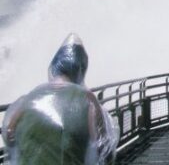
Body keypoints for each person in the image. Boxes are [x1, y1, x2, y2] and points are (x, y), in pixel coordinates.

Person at [1, 33, 117, 165]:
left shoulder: (30, 98)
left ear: (54, 65)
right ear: (81, 69)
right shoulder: (88, 100)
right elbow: (104, 149)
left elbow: (9, 136)